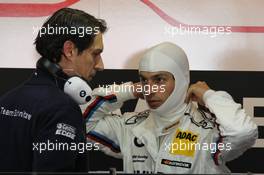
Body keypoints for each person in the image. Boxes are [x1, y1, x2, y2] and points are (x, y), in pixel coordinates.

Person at [84, 42, 258, 174]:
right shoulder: (129, 126)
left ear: (182, 80)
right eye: (144, 80)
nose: (149, 89)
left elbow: (243, 132)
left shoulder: (208, 132)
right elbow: (81, 120)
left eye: (159, 79)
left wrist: (209, 96)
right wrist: (130, 90)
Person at [0, 8, 107, 172]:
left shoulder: (7, 100)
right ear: (69, 50)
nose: (100, 65)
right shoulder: (62, 108)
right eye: (95, 54)